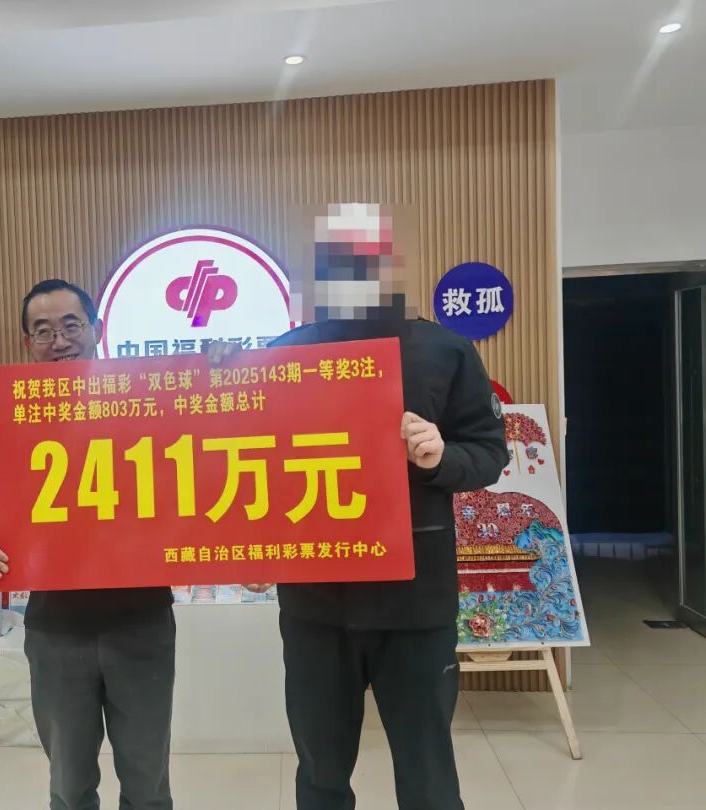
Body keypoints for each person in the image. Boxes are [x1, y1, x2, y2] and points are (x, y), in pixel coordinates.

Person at [210, 203, 509, 810]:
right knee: (320, 772)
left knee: (427, 772)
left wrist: (441, 455)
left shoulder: (445, 350)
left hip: (415, 602)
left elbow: (488, 451)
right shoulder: (286, 354)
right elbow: (253, 464)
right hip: (316, 604)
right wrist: (219, 381)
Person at [0, 279, 175, 810]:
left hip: (141, 622)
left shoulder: (146, 401)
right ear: (27, 343)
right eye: (43, 330)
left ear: (96, 329)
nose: (59, 340)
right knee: (68, 784)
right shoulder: (21, 417)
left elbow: (199, 466)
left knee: (148, 783)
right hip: (56, 627)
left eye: (70, 325)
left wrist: (221, 367)